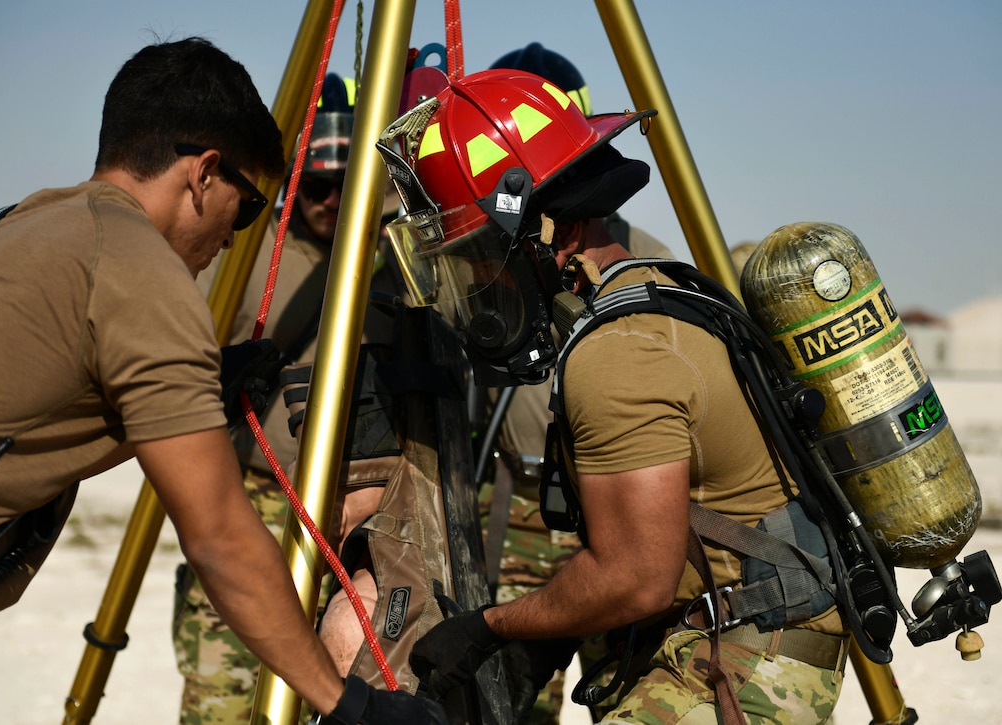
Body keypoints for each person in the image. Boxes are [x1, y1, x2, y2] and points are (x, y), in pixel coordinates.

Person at [0, 38, 443, 725]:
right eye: (249, 207)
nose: (233, 239)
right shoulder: (142, 270)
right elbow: (219, 537)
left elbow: (20, 423)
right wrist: (350, 704)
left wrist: (198, 390)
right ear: (204, 173)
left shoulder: (22, 221)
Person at [377, 68, 849, 723]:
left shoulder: (616, 352)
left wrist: (493, 626)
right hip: (731, 633)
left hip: (747, 660)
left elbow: (634, 576)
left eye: (483, 252)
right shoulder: (655, 290)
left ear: (546, 227)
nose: (484, 277)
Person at [180, 73, 446, 723]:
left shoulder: (397, 257)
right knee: (225, 702)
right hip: (253, 503)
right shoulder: (244, 252)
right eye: (318, 185)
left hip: (359, 521)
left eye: (346, 186)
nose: (330, 201)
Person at [478, 43, 676, 723]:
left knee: (630, 696)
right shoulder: (490, 265)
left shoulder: (647, 262)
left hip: (622, 514)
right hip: (516, 511)